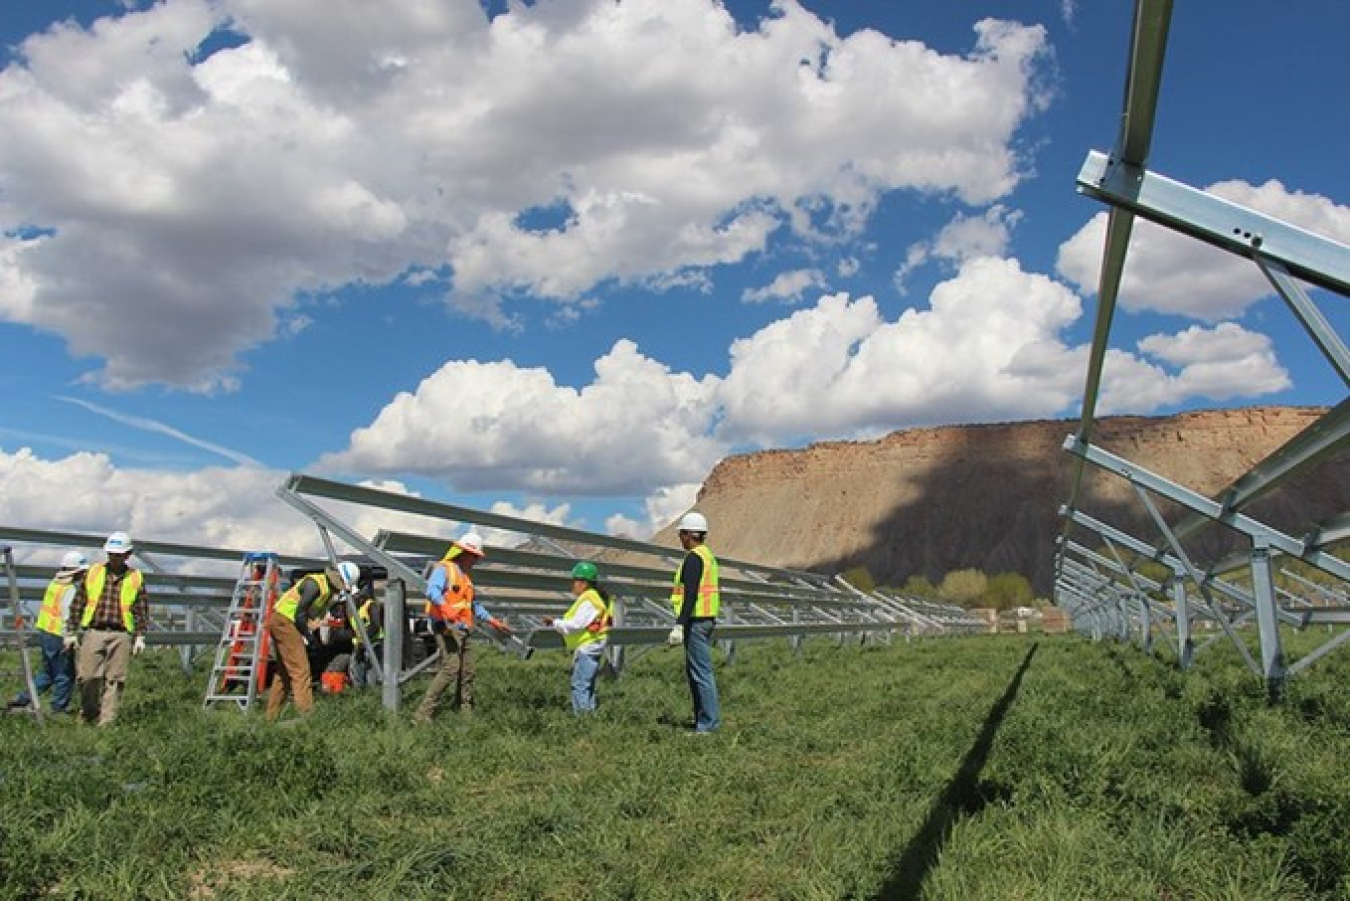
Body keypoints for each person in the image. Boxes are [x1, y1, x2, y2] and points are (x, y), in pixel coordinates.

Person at [413, 532, 511, 723]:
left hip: (464, 629)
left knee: (468, 671)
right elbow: (432, 591)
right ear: (463, 552)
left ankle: (464, 713)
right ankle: (423, 715)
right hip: (446, 626)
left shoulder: (465, 578)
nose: (475, 560)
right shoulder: (444, 569)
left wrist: (493, 621)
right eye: (473, 556)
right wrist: (445, 607)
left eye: (476, 557)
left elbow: (473, 605)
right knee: (451, 668)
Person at [65, 532, 149, 727]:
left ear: (128, 555)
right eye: (111, 553)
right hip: (94, 631)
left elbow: (141, 610)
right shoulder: (93, 573)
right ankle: (89, 713)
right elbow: (78, 603)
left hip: (120, 633)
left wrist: (140, 636)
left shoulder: (135, 578)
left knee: (115, 680)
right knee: (88, 676)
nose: (114, 558)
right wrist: (70, 632)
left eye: (119, 554)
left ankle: (107, 722)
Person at [265, 560, 361, 723]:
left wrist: (317, 626)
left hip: (287, 623)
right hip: (284, 621)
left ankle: (270, 719)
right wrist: (310, 639)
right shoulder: (314, 584)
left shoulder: (328, 592)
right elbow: (299, 614)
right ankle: (307, 718)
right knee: (301, 670)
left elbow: (309, 617)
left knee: (284, 673)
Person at [8, 550, 87, 715]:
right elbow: (67, 613)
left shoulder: (54, 583)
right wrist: (69, 636)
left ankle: (23, 698)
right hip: (60, 635)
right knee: (65, 674)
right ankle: (59, 709)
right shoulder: (70, 589)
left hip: (46, 632)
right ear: (77, 571)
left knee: (48, 672)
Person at [670, 512, 721, 733]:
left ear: (689, 535)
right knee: (697, 672)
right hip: (705, 619)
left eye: (681, 534)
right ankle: (703, 720)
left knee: (701, 673)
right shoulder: (707, 555)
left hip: (696, 621)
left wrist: (680, 624)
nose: (680, 539)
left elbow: (690, 593)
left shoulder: (693, 558)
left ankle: (708, 725)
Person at [543, 561, 613, 713]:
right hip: (594, 646)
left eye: (574, 581)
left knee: (580, 685)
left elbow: (576, 624)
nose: (573, 585)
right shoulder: (596, 598)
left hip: (587, 648)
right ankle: (590, 718)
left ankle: (582, 722)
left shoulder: (588, 600)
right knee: (588, 685)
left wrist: (555, 622)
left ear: (583, 583)